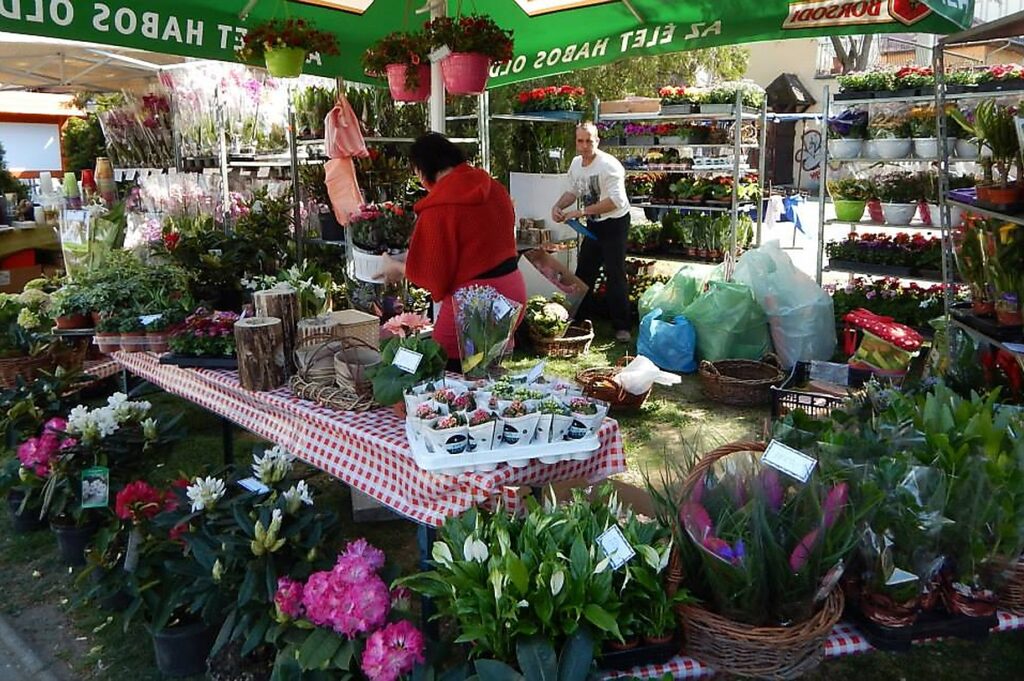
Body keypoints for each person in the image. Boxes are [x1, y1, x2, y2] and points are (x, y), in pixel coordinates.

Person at [376, 132, 526, 363]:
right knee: (489, 376)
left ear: (422, 169)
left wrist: (396, 268)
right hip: (513, 289)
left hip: (473, 303)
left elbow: (434, 275)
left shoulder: (438, 207)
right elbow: (479, 244)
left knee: (449, 375)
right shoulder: (494, 188)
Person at [550, 122, 632, 342]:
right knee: (584, 271)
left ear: (598, 141)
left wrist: (580, 212)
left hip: (615, 223)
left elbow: (616, 201)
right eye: (580, 141)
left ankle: (622, 327)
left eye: (589, 140)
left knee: (615, 273)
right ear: (576, 142)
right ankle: (578, 320)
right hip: (594, 224)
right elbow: (573, 190)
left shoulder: (609, 165)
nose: (585, 145)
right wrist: (558, 206)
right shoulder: (576, 163)